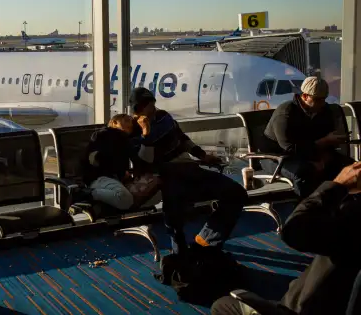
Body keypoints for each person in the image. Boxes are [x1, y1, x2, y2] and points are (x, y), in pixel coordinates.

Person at [211, 161, 361, 315]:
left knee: (223, 306)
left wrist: (337, 186)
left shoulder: (354, 221)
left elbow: (294, 231)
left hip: (303, 310)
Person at [129, 87, 247, 254]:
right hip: (164, 175)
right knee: (175, 201)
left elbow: (183, 139)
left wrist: (202, 155)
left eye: (152, 103)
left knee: (236, 193)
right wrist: (146, 134)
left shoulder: (164, 117)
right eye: (146, 105)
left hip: (189, 169)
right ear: (137, 110)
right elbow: (145, 162)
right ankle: (180, 252)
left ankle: (207, 240)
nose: (152, 108)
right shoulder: (133, 130)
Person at [260, 76, 354, 198]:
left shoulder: (324, 111)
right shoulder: (285, 113)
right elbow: (289, 147)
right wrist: (321, 145)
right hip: (276, 157)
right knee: (303, 173)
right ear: (305, 96)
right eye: (317, 100)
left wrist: (324, 157)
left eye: (323, 99)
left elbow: (326, 140)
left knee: (351, 166)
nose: (321, 103)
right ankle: (307, 210)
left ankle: (345, 206)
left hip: (311, 153)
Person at [81, 114, 158, 210]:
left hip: (113, 180)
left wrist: (145, 132)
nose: (130, 124)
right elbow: (95, 159)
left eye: (131, 122)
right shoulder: (104, 135)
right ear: (114, 123)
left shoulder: (126, 140)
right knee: (126, 199)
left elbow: (145, 160)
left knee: (155, 191)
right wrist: (120, 172)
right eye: (126, 120)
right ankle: (87, 194)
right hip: (100, 179)